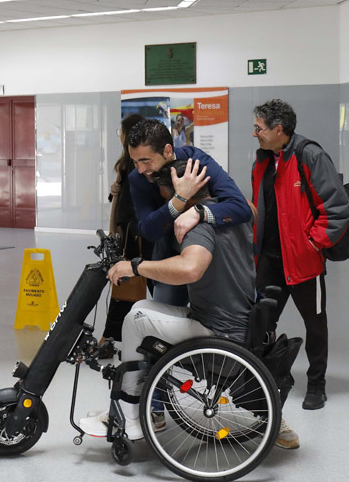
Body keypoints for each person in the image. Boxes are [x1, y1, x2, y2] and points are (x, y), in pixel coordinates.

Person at [79, 160, 299, 450]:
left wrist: (135, 267)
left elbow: (191, 268)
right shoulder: (233, 213)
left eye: (168, 198)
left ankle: (129, 414)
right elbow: (250, 209)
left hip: (218, 332)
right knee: (144, 309)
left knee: (135, 319)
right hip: (240, 324)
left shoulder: (199, 226)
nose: (167, 206)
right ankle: (141, 404)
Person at [252, 99, 349, 410]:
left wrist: (312, 244)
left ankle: (317, 384)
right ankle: (264, 381)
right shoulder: (262, 161)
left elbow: (337, 209)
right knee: (262, 324)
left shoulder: (310, 155)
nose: (255, 133)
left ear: (279, 129)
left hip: (304, 261)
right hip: (269, 261)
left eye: (259, 128)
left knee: (315, 324)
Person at [126, 118, 253, 306]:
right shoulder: (137, 179)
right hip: (169, 257)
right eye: (135, 162)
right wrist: (178, 202)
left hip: (213, 257)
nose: (140, 169)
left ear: (168, 150)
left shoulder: (197, 161)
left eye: (145, 160)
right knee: (163, 316)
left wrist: (198, 212)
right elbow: (148, 230)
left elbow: (240, 207)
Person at [99, 113, 152, 354]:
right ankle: (111, 336)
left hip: (135, 234)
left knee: (125, 284)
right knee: (127, 285)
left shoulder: (135, 164)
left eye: (120, 131)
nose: (119, 136)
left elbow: (130, 206)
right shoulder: (128, 163)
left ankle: (110, 338)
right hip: (132, 232)